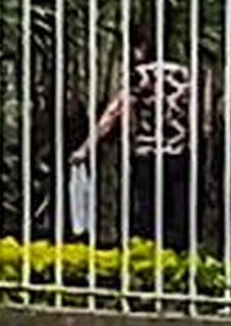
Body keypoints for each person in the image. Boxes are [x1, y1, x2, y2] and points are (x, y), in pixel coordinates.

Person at [74, 44, 200, 250]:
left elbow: (113, 113)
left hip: (148, 152)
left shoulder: (141, 75)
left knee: (147, 211)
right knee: (178, 211)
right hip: (178, 152)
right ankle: (178, 257)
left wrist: (86, 147)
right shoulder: (184, 75)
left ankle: (147, 255)